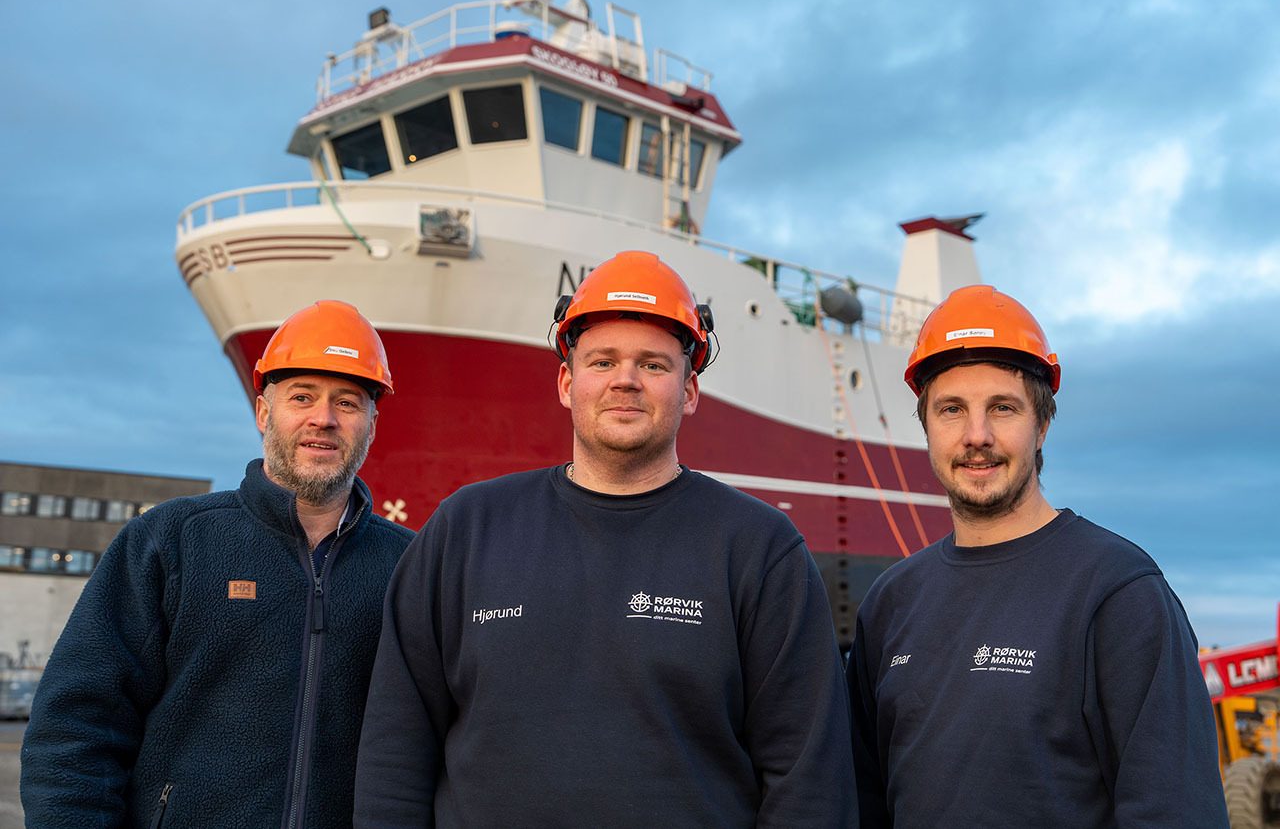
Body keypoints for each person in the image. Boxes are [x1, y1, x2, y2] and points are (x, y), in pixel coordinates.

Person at [354, 251, 856, 827]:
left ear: (690, 391)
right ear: (568, 383)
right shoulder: (466, 529)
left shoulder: (758, 549)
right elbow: (396, 749)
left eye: (654, 365)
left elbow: (807, 782)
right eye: (603, 361)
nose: (625, 380)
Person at [21, 300, 413, 828]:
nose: (323, 419)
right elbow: (76, 727)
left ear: (371, 423)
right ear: (263, 413)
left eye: (347, 402)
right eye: (302, 397)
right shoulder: (172, 540)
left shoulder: (409, 564)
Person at [846, 285, 1229, 827]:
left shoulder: (1118, 592)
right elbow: (864, 800)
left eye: (1003, 408)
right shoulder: (892, 602)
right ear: (926, 427)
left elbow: (1176, 811)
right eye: (952, 410)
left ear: (1042, 424)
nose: (977, 437)